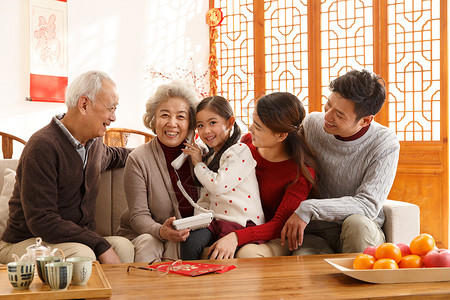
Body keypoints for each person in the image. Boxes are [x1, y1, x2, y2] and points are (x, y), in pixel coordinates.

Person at [0, 70, 135, 264]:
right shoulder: (42, 146)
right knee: (84, 255)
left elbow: (116, 155)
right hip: (26, 242)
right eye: (111, 108)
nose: (113, 117)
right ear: (84, 104)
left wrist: (158, 150)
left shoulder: (94, 144)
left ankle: (110, 295)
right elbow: (42, 220)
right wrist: (98, 243)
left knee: (124, 247)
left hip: (72, 240)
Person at [281, 69, 400, 255]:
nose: (327, 117)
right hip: (317, 232)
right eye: (327, 105)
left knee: (357, 223)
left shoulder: (384, 142)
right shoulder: (312, 124)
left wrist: (309, 208)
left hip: (358, 230)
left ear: (365, 120)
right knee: (303, 262)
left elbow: (368, 205)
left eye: (339, 115)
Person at [205, 92, 317, 259]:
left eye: (258, 126)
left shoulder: (301, 173)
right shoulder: (247, 144)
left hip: (273, 235)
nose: (250, 128)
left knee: (246, 255)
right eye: (253, 122)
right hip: (238, 223)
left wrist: (236, 237)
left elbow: (279, 225)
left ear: (281, 135)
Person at [117, 81, 200, 262]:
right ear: (153, 119)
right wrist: (161, 231)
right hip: (145, 234)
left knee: (182, 244)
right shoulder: (138, 159)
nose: (172, 123)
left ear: (191, 123)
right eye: (164, 115)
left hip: (185, 235)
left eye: (180, 117)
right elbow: (138, 216)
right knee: (151, 242)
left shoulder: (202, 156)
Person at [179, 96, 265, 260]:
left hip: (239, 222)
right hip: (215, 221)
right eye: (200, 125)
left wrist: (197, 163)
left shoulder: (240, 151)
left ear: (230, 122)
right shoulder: (210, 158)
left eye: (212, 123)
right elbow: (205, 197)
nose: (206, 131)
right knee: (191, 241)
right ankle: (189, 281)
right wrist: (194, 222)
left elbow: (217, 186)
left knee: (218, 255)